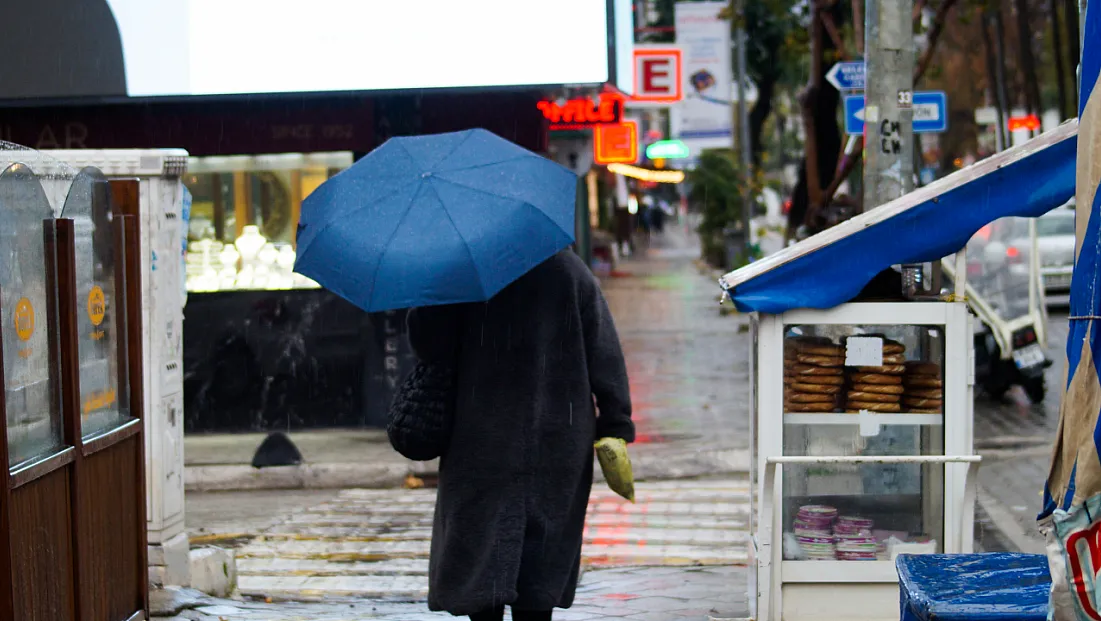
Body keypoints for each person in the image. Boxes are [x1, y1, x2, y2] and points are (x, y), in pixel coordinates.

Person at [407, 249, 634, 621]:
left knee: (480, 563)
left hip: (481, 437)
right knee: (541, 569)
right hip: (557, 439)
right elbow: (604, 351)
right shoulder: (568, 270)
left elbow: (429, 346)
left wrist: (427, 296)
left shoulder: (461, 271)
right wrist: (615, 422)